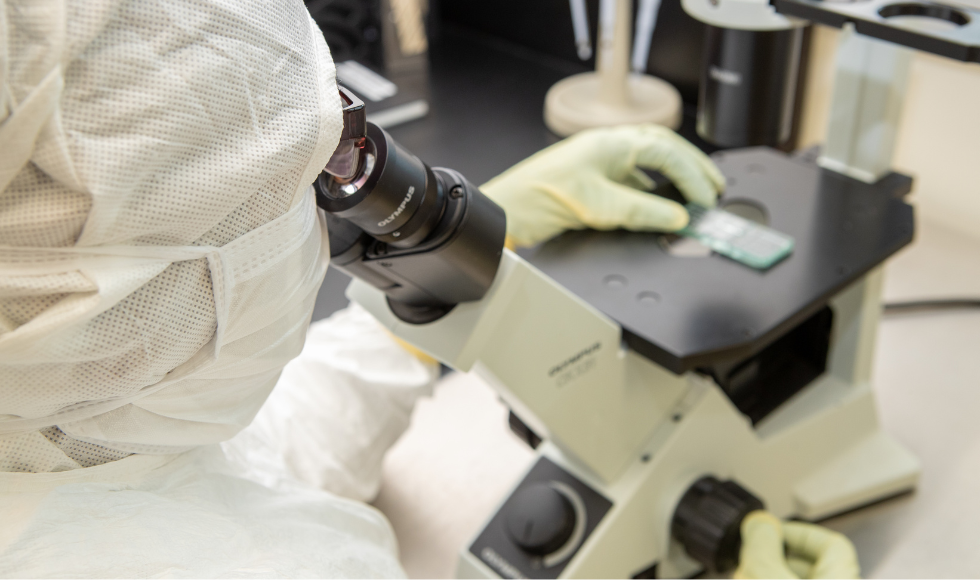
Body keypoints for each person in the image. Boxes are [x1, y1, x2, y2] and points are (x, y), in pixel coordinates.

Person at [0, 0, 849, 576]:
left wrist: (445, 268)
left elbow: (252, 455)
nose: (326, 202)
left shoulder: (70, 434)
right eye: (298, 180)